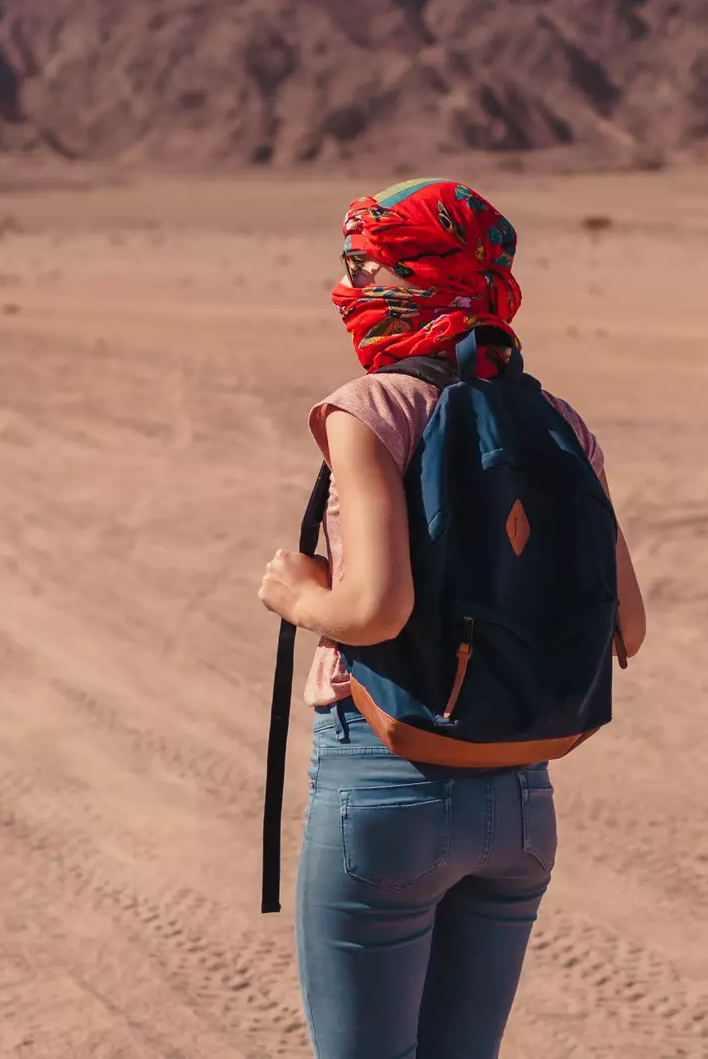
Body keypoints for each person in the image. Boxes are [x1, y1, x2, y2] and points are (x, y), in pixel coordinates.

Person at [257, 177, 647, 1059]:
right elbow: (629, 624)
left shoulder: (371, 408)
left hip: (386, 785)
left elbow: (375, 608)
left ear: (413, 280)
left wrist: (295, 595)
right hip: (521, 802)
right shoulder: (557, 419)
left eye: (364, 265)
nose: (348, 285)